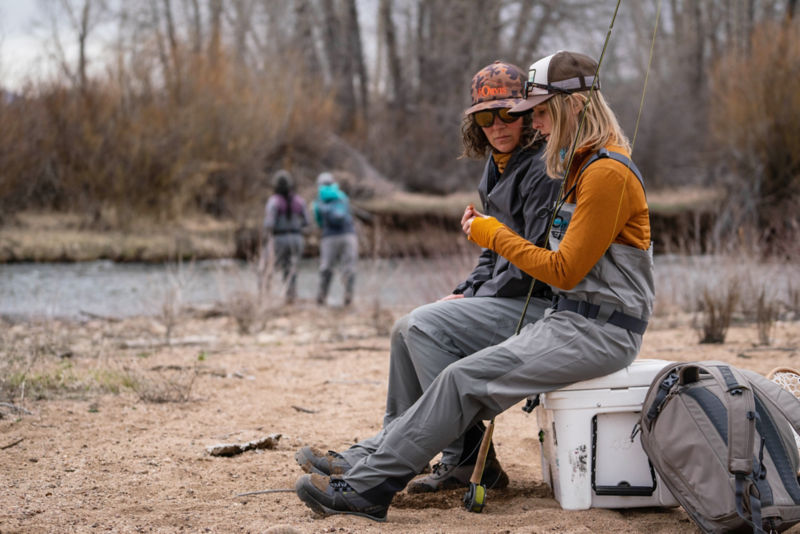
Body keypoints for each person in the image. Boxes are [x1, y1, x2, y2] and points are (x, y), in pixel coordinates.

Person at [293, 50, 653, 522]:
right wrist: (478, 275)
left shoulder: (606, 172)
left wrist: (490, 233)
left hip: (600, 330)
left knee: (460, 379)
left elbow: (563, 271)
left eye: (539, 113)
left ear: (573, 107)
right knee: (454, 377)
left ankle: (366, 488)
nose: (534, 125)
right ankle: (373, 474)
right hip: (573, 321)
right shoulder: (582, 169)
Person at [294, 60, 560, 497]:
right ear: (474, 123)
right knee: (407, 329)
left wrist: (479, 297)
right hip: (504, 298)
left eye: (508, 114)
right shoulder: (496, 167)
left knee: (423, 327)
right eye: (485, 117)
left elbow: (533, 262)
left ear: (528, 115)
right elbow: (492, 252)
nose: (498, 125)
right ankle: (411, 452)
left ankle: (446, 458)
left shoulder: (541, 172)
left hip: (537, 308)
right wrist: (464, 292)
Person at [260, 169, 308, 304]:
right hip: (297, 239)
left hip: (278, 238)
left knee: (266, 268)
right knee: (291, 270)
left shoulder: (274, 201)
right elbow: (306, 222)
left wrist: (266, 238)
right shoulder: (299, 201)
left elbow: (269, 223)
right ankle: (291, 298)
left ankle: (265, 297)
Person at [313, 172, 359, 306]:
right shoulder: (342, 196)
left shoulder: (319, 200)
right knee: (349, 267)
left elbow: (319, 221)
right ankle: (348, 297)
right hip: (349, 235)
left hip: (329, 237)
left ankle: (322, 297)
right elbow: (349, 214)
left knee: (326, 267)